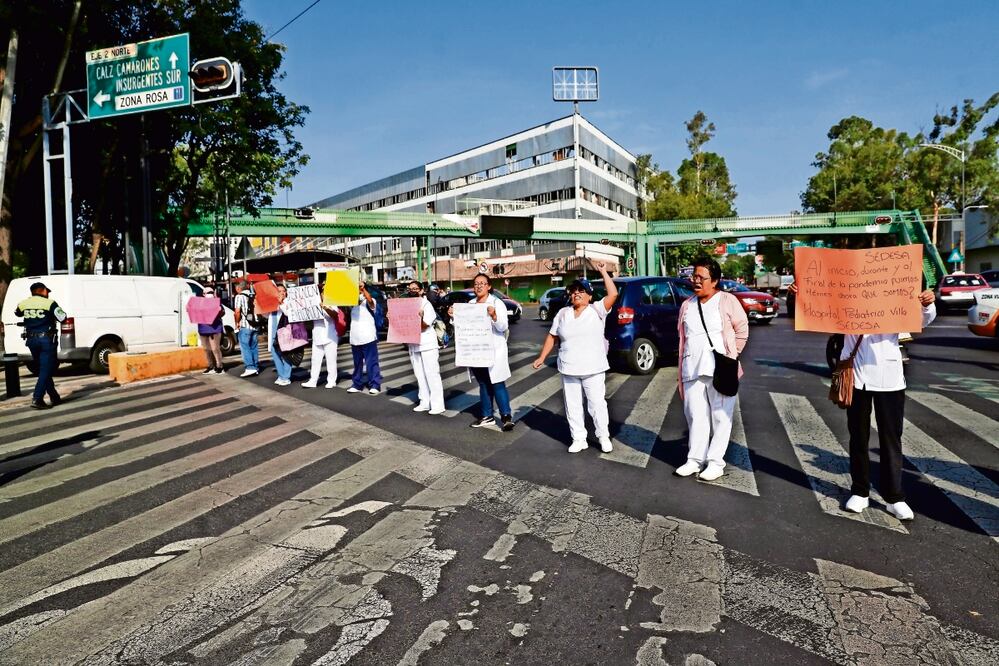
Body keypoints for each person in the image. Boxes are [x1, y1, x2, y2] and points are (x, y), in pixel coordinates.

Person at [789, 282, 937, 520]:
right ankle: (860, 491)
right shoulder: (845, 301)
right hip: (857, 378)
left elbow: (921, 320)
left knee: (891, 439)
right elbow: (815, 314)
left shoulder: (896, 298)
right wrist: (800, 296)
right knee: (858, 436)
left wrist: (928, 304)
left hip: (889, 378)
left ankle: (894, 497)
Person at [674, 257, 749, 481]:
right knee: (695, 416)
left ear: (714, 280)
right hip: (692, 368)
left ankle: (715, 462)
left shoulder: (727, 300)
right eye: (694, 277)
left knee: (720, 416)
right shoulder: (687, 305)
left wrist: (731, 356)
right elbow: (683, 338)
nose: (695, 281)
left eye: (701, 278)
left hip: (720, 368)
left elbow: (742, 330)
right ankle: (694, 460)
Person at [532, 262, 618, 453]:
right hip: (568, 367)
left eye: (581, 290)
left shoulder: (597, 310)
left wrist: (603, 271)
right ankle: (579, 438)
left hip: (593, 368)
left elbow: (613, 294)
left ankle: (603, 436)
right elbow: (552, 336)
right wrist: (542, 357)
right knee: (572, 406)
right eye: (573, 291)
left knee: (597, 405)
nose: (576, 293)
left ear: (589, 295)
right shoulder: (563, 313)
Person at [453, 273, 514, 431]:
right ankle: (487, 416)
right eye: (476, 284)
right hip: (476, 350)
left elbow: (503, 327)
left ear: (489, 286)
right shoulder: (471, 303)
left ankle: (506, 416)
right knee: (483, 383)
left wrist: (494, 315)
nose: (478, 286)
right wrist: (454, 316)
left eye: (482, 283)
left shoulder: (496, 302)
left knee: (497, 382)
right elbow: (463, 326)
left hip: (494, 350)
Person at [14, 282, 67, 409]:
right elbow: (63, 318)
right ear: (42, 291)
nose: (48, 293)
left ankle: (54, 396)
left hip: (31, 340)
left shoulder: (23, 303)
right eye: (47, 291)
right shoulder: (50, 303)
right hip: (46, 341)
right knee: (46, 369)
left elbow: (17, 313)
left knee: (43, 369)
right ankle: (37, 398)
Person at [404, 280, 445, 414]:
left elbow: (424, 325)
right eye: (410, 289)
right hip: (413, 344)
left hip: (427, 344)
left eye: (415, 289)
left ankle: (437, 405)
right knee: (419, 375)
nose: (412, 291)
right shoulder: (406, 305)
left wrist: (419, 318)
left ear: (421, 291)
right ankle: (424, 402)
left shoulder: (426, 305)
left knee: (432, 374)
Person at [348, 281, 382, 395]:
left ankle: (375, 384)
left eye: (360, 287)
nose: (358, 289)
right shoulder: (352, 303)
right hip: (355, 337)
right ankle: (357, 384)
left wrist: (363, 289)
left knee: (371, 362)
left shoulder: (371, 301)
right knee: (357, 363)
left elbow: (370, 301)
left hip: (368, 337)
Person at [303, 297, 341, 389]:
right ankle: (313, 380)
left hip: (330, 336)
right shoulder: (314, 303)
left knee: (331, 360)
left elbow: (335, 315)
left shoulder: (332, 302)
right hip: (317, 335)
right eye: (321, 292)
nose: (322, 294)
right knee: (315, 360)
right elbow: (309, 321)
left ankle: (332, 381)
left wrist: (325, 307)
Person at [267, 284, 294, 386]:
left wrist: (281, 303)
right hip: (273, 332)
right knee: (275, 353)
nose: (282, 293)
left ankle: (286, 377)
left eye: (283, 291)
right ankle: (281, 375)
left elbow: (288, 314)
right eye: (279, 291)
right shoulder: (272, 302)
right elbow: (267, 315)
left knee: (286, 354)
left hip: (284, 332)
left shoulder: (288, 302)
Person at [232, 282, 260, 377]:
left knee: (245, 347)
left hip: (245, 325)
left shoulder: (239, 297)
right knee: (254, 347)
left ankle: (250, 367)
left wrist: (236, 323)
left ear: (239, 288)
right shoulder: (254, 295)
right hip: (256, 325)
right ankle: (255, 366)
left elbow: (237, 311)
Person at [196, 286, 226, 375]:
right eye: (207, 293)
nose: (209, 294)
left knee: (215, 349)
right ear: (203, 294)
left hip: (215, 329)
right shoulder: (199, 303)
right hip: (203, 329)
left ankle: (219, 366)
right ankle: (210, 366)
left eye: (211, 292)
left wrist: (218, 309)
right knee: (206, 349)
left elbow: (222, 313)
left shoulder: (217, 303)